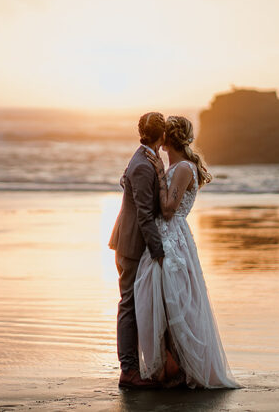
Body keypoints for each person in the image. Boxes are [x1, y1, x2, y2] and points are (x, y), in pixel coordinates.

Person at [133, 115, 240, 389]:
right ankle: (171, 366)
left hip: (173, 239)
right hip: (166, 236)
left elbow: (168, 209)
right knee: (160, 300)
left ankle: (180, 368)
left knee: (174, 302)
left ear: (168, 140)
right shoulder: (178, 165)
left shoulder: (182, 168)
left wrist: (157, 175)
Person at [108, 112, 167, 389]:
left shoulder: (146, 158)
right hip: (132, 244)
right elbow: (144, 215)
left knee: (131, 303)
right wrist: (159, 250)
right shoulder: (144, 165)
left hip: (130, 241)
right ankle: (129, 371)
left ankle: (149, 365)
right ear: (162, 135)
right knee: (128, 305)